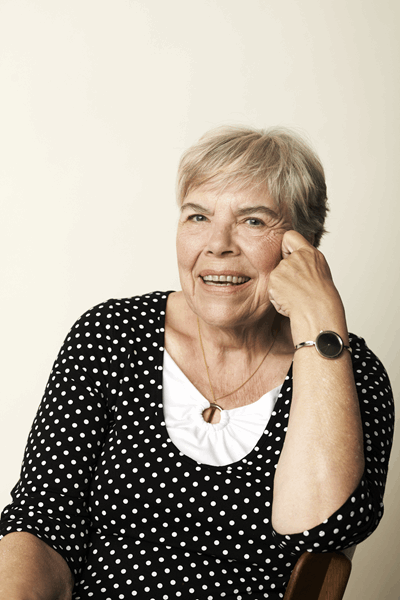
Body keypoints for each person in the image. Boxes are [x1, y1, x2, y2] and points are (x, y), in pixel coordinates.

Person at [0, 126, 394, 600]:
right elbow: (42, 521)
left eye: (253, 221)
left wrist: (320, 317)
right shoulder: (110, 336)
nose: (218, 243)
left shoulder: (350, 369)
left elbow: (325, 530)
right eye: (198, 216)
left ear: (304, 245)